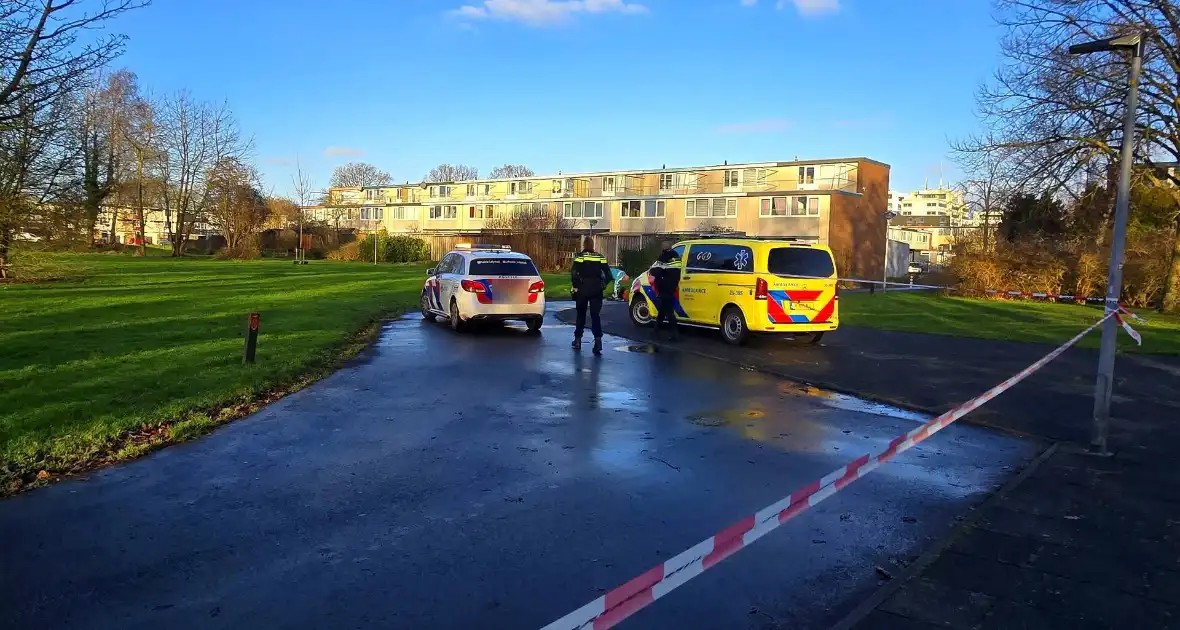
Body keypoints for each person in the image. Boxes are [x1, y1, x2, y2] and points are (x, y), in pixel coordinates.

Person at [570, 236, 611, 355]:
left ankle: (578, 340)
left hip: (583, 288)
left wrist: (576, 285)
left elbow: (573, 274)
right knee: (595, 315)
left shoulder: (580, 257)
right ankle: (598, 341)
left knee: (581, 314)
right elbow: (608, 274)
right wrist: (602, 285)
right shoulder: (600, 257)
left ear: (584, 245)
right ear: (593, 245)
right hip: (596, 289)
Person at [650, 240, 682, 341]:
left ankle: (674, 334)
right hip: (670, 286)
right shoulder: (675, 256)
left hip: (665, 287)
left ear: (664, 248)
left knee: (668, 311)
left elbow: (654, 270)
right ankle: (656, 330)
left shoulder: (665, 257)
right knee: (663, 310)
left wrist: (660, 273)